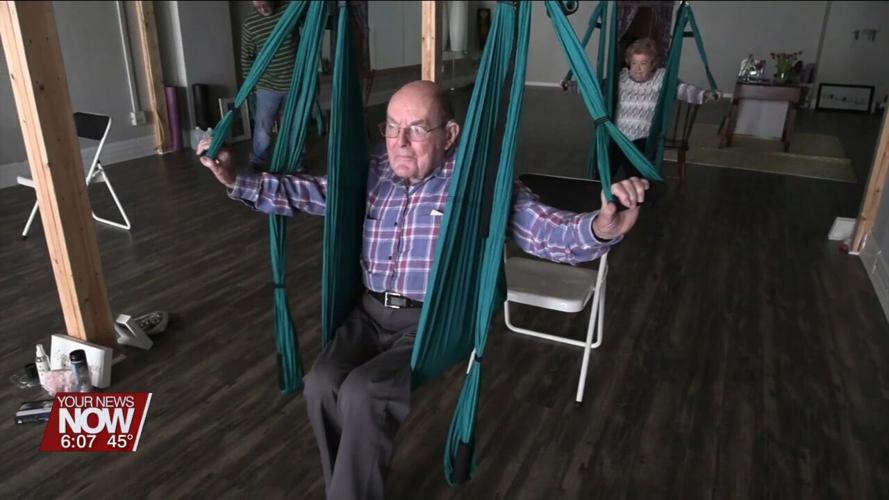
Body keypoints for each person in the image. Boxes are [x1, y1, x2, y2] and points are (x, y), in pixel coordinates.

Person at [197, 80, 650, 500]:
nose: (400, 142)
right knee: (321, 383)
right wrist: (238, 181)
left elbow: (543, 230)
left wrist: (600, 226)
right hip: (368, 314)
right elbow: (314, 192)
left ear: (449, 133)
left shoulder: (476, 183)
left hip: (432, 321)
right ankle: (352, 486)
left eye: (416, 129)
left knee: (364, 391)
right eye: (392, 128)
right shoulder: (375, 170)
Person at [610, 37, 718, 182]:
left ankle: (635, 195)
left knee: (634, 171)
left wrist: (705, 94)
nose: (637, 68)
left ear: (652, 64)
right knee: (604, 163)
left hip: (643, 138)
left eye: (643, 63)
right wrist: (573, 86)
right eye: (634, 63)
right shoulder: (621, 77)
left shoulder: (660, 78)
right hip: (618, 135)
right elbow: (596, 88)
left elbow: (682, 89)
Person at [240, 1, 296, 170]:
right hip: (267, 86)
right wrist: (251, 85)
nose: (263, 9)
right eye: (258, 7)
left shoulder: (290, 10)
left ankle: (296, 163)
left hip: (295, 83)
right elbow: (246, 58)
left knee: (295, 127)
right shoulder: (250, 24)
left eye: (265, 4)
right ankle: (257, 162)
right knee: (263, 130)